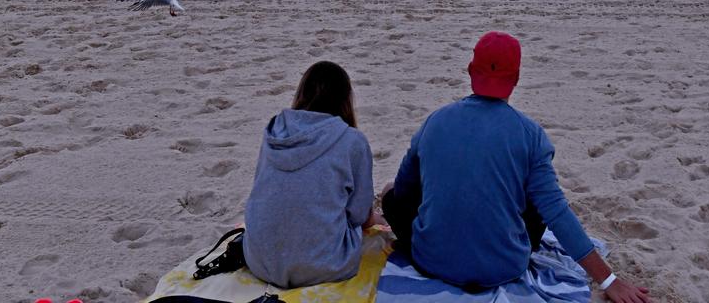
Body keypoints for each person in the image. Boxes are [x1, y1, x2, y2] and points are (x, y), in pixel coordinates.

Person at [382, 32, 651, 302]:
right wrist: (609, 280)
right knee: (537, 200)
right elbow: (556, 212)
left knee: (390, 194)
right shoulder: (530, 134)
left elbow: (404, 189)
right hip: (504, 267)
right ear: (516, 79)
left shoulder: (435, 121)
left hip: (433, 261)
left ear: (470, 70)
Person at [243, 62, 379, 288]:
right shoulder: (352, 140)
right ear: (346, 99)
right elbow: (359, 215)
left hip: (260, 261)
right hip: (324, 265)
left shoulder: (274, 131)